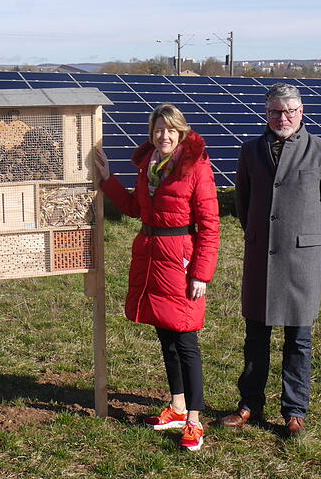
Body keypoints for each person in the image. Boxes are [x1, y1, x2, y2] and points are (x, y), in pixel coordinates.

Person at [219, 82, 321, 437]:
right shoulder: (249, 151)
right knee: (255, 339)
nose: (283, 117)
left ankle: (295, 411)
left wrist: (317, 248)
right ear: (266, 113)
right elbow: (242, 203)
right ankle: (249, 405)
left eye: (290, 111)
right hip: (262, 258)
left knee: (299, 341)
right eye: (276, 111)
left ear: (301, 112)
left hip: (302, 262)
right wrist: (260, 236)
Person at [95, 104, 220, 451]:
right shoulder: (149, 165)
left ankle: (194, 420)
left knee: (186, 343)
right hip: (151, 256)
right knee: (166, 337)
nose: (163, 136)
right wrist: (108, 180)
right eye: (157, 130)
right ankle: (178, 406)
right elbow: (137, 209)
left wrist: (201, 273)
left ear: (180, 133)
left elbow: (210, 225)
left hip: (179, 259)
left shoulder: (196, 167)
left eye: (170, 130)